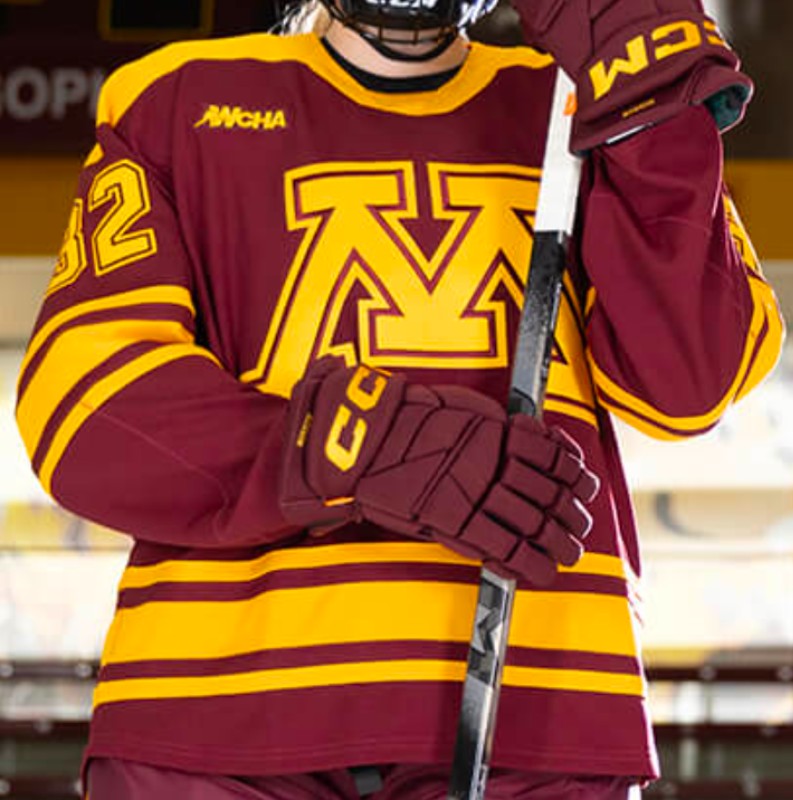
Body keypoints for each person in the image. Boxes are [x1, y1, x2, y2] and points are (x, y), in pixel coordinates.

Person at [15, 0, 784, 797]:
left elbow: (690, 382)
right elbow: (88, 407)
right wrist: (381, 447)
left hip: (541, 710)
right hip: (216, 711)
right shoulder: (180, 99)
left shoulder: (574, 101)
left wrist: (648, 94)